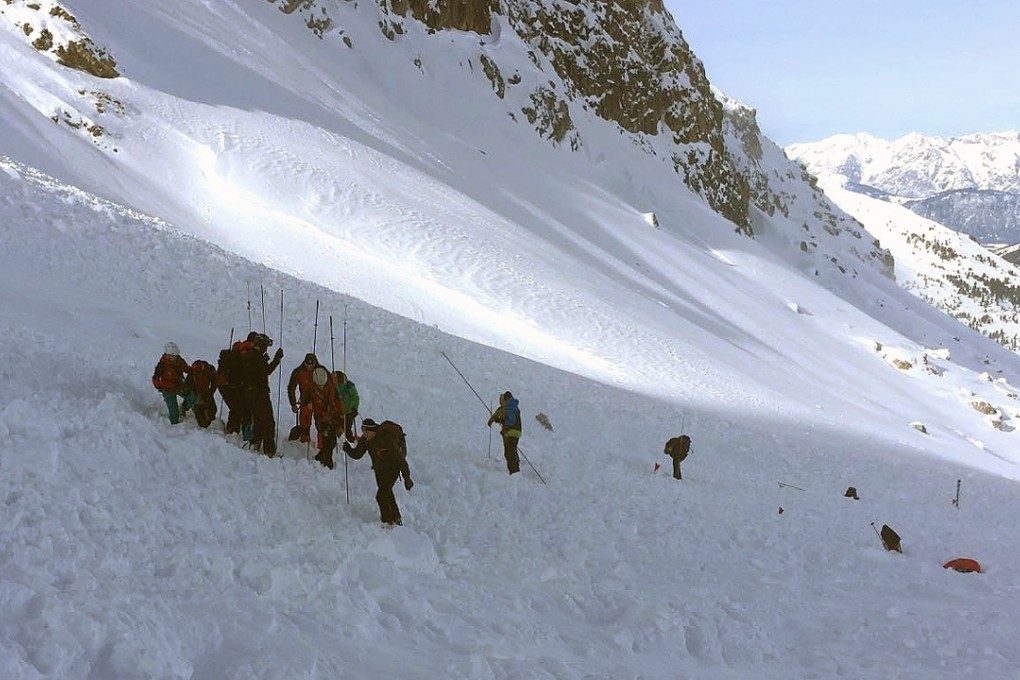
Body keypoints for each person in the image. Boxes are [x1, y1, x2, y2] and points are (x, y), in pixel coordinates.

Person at [343, 418, 413, 526]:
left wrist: (407, 478)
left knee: (381, 495)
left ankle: (387, 521)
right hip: (379, 468)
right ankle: (396, 517)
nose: (365, 435)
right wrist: (348, 449)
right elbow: (358, 454)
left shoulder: (386, 439)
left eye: (367, 432)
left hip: (393, 468)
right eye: (363, 432)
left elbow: (401, 460)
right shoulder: (366, 439)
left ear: (373, 431)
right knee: (387, 493)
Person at [241, 332, 283, 456]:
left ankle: (255, 443)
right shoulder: (257, 356)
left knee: (258, 419)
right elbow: (266, 371)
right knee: (268, 422)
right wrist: (277, 359)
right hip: (259, 393)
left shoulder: (249, 354)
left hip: (249, 393)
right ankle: (269, 450)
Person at [307, 366, 345, 468]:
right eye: (318, 384)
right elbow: (305, 400)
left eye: (322, 384)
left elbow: (337, 399)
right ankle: (327, 463)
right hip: (321, 419)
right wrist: (308, 403)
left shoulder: (331, 385)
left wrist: (341, 412)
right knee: (328, 440)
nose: (320, 386)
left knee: (331, 442)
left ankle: (320, 457)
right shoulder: (311, 390)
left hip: (332, 415)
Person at [217, 338, 252, 440]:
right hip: (233, 386)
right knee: (241, 409)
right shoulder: (240, 357)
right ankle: (239, 433)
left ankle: (233, 430)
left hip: (225, 386)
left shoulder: (229, 357)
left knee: (236, 408)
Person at [152, 342, 191, 424]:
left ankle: (183, 408)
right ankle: (175, 425)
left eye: (176, 356)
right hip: (168, 390)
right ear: (167, 355)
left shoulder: (179, 361)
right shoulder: (162, 365)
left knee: (192, 398)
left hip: (179, 386)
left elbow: (186, 368)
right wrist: (159, 386)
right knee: (174, 415)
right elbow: (155, 377)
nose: (175, 358)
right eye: (173, 356)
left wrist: (194, 370)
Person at [287, 353, 319, 443]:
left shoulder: (320, 371)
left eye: (312, 364)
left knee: (321, 423)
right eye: (307, 364)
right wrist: (293, 404)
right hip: (305, 401)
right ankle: (304, 441)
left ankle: (322, 445)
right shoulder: (298, 372)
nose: (310, 366)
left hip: (319, 401)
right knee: (304, 422)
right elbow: (291, 388)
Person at [487, 391, 521, 475]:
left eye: (501, 400)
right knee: (511, 451)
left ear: (506, 399)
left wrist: (504, 428)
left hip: (511, 432)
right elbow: (501, 415)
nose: (500, 402)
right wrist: (495, 419)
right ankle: (514, 469)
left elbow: (510, 421)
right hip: (514, 433)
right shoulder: (509, 407)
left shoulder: (510, 407)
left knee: (509, 452)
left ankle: (514, 471)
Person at [188, 359, 218, 428]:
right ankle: (190, 407)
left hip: (206, 391)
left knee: (212, 410)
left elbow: (215, 382)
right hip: (196, 393)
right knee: (202, 422)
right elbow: (188, 387)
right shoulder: (192, 374)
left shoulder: (210, 370)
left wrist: (210, 392)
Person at [334, 371, 360, 442]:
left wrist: (354, 408)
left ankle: (351, 441)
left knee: (347, 427)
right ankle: (338, 439)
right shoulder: (334, 386)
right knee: (338, 425)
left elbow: (355, 398)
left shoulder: (349, 385)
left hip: (349, 411)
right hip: (339, 411)